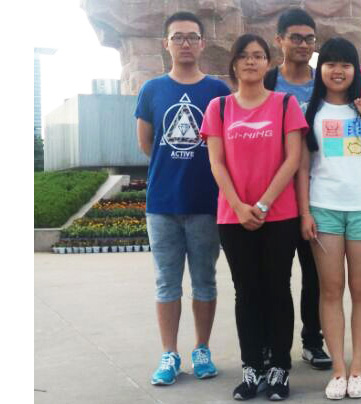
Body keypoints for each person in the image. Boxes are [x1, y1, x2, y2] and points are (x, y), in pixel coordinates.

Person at [201, 34, 307, 401]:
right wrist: (239, 205)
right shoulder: (218, 108)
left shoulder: (285, 104)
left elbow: (293, 159)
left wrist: (262, 205)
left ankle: (279, 366)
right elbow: (216, 163)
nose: (251, 61)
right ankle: (252, 367)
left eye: (259, 56)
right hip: (233, 216)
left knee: (277, 288)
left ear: (268, 63)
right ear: (233, 63)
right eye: (244, 56)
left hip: (279, 215)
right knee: (246, 291)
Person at [134, 11, 231, 386]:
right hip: (163, 204)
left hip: (206, 203)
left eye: (192, 37)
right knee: (166, 283)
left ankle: (201, 349)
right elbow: (147, 144)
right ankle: (169, 353)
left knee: (205, 281)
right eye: (178, 37)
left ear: (203, 43)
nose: (185, 43)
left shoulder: (218, 92)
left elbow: (225, 146)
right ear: (166, 44)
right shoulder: (152, 90)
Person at [297, 37, 361, 399]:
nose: (338, 71)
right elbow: (303, 168)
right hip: (325, 209)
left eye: (346, 64)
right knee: (331, 290)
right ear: (320, 69)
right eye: (330, 63)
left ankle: (358, 369)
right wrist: (305, 212)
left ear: (355, 70)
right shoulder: (309, 111)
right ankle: (338, 370)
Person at [262, 7, 332, 371]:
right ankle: (273, 346)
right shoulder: (267, 82)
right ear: (280, 40)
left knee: (316, 275)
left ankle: (312, 341)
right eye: (296, 38)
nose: (303, 45)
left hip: (319, 191)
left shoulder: (325, 83)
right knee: (275, 276)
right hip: (277, 194)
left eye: (309, 39)